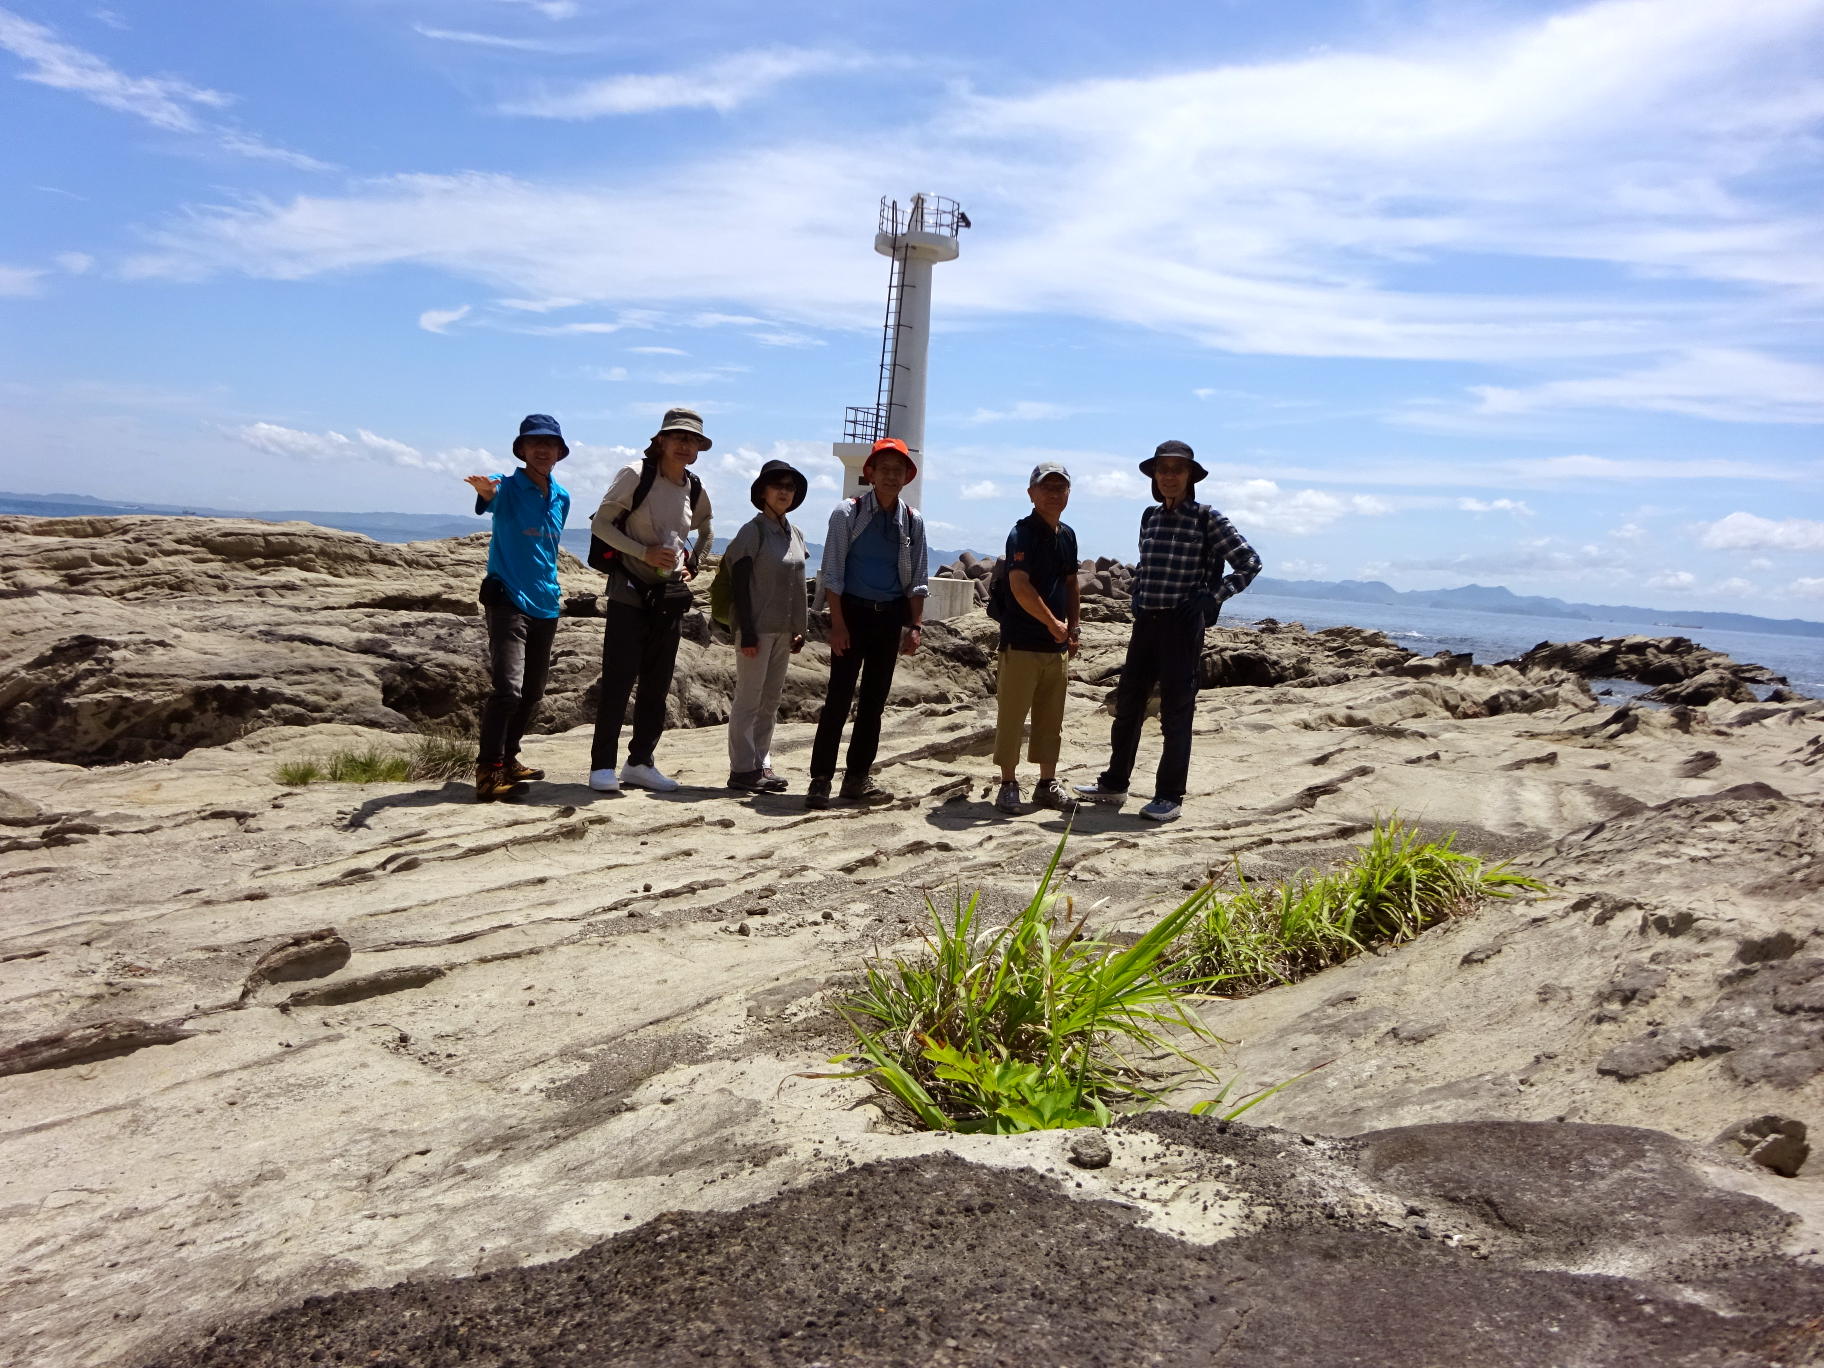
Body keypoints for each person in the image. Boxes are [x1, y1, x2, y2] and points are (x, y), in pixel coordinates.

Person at [1075, 440, 1261, 823]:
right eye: (1163, 470)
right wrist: (1137, 597)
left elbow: (1249, 562)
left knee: (1177, 713)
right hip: (1147, 624)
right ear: (1154, 477)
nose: (1170, 476)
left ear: (1191, 476)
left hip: (1182, 624)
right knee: (1128, 706)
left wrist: (1213, 597)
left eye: (1178, 469)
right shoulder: (1150, 516)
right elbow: (1146, 565)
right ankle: (1114, 783)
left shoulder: (1208, 518)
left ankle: (1169, 795)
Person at [586, 407, 714, 793]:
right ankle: (601, 767)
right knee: (619, 680)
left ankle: (641, 761)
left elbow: (707, 527)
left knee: (657, 685)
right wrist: (642, 553)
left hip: (667, 596)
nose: (685, 444)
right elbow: (600, 524)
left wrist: (694, 563)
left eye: (692, 440)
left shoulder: (693, 486)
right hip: (628, 590)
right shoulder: (635, 475)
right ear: (660, 440)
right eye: (678, 437)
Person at [806, 436, 929, 810]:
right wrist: (837, 624)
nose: (892, 476)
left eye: (899, 470)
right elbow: (834, 573)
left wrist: (915, 626)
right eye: (885, 469)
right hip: (854, 614)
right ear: (870, 473)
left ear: (907, 477)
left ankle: (857, 776)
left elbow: (917, 578)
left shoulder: (912, 520)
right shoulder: (849, 512)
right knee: (838, 699)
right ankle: (820, 780)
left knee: (873, 703)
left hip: (889, 617)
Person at [464, 414, 571, 802]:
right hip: (508, 597)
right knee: (507, 688)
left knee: (532, 692)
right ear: (522, 449)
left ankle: (509, 758)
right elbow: (489, 497)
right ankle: (488, 770)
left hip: (546, 600)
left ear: (559, 452)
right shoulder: (506, 487)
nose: (543, 450)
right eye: (534, 443)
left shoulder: (561, 496)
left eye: (550, 444)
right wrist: (485, 491)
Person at [992, 462, 1081, 815]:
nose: (1054, 493)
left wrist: (1072, 627)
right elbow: (1019, 585)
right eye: (1047, 487)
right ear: (1032, 493)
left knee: (1050, 719)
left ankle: (1047, 783)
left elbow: (1072, 584)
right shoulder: (1022, 533)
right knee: (1012, 718)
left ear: (1068, 494)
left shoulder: (1068, 535)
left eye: (1060, 488)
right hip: (1020, 643)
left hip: (1056, 647)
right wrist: (1052, 623)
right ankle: (1008, 784)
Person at [724, 459, 809, 792]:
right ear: (763, 492)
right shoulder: (753, 530)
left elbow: (797, 583)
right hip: (756, 629)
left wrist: (800, 627)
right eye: (778, 486)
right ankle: (741, 769)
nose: (784, 492)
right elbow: (740, 584)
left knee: (770, 700)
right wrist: (745, 630)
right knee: (748, 699)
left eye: (790, 487)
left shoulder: (795, 533)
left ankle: (761, 763)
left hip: (783, 631)